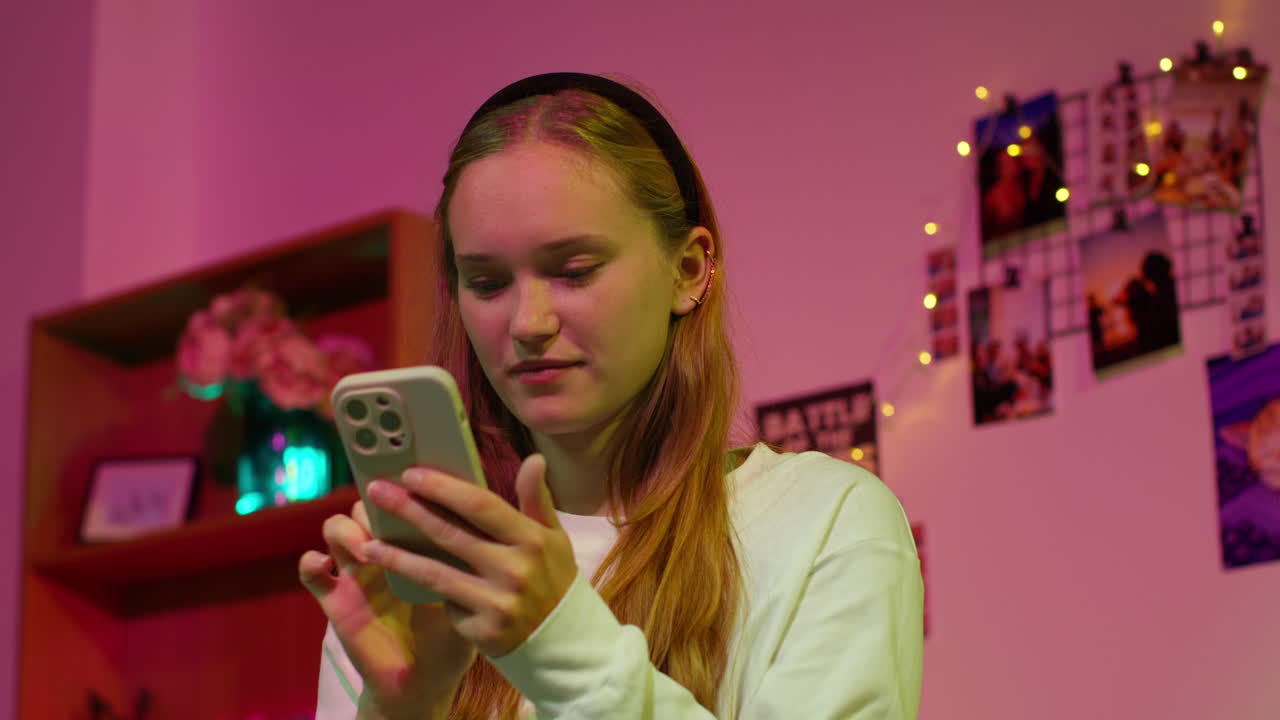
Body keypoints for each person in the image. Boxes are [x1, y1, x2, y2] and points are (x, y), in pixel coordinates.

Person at [299, 72, 923, 720]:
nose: (528, 323)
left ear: (688, 270)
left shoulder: (825, 523)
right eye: (486, 282)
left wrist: (557, 643)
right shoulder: (420, 575)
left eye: (574, 271)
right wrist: (403, 706)